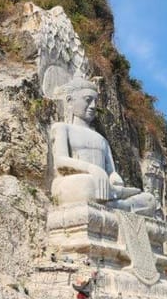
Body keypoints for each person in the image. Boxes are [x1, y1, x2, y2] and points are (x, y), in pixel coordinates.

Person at [49, 77, 157, 216]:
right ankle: (120, 207)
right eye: (88, 100)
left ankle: (117, 206)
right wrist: (91, 168)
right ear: (70, 101)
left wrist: (114, 178)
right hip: (79, 183)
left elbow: (111, 172)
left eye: (95, 101)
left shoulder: (101, 139)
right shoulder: (63, 128)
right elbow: (60, 161)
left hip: (105, 188)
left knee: (149, 199)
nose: (93, 105)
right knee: (87, 185)